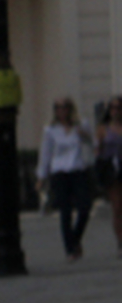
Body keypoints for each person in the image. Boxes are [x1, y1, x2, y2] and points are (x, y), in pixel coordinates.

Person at [36, 97, 97, 262]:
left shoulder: (81, 125)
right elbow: (46, 154)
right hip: (60, 172)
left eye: (64, 108)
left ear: (70, 109)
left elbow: (94, 144)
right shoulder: (50, 130)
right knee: (65, 211)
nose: (61, 111)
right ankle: (70, 249)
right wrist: (41, 176)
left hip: (78, 169)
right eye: (57, 108)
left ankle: (75, 239)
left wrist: (86, 136)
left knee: (85, 207)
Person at [100, 99, 122, 254]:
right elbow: (97, 151)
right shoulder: (103, 129)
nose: (115, 111)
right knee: (118, 207)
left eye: (119, 107)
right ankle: (121, 240)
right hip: (111, 169)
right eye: (112, 107)